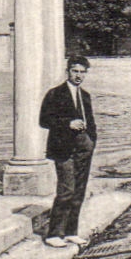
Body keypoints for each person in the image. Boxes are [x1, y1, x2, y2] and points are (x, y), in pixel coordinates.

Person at [39, 56, 96, 248]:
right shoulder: (55, 94)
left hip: (83, 149)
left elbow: (91, 121)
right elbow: (44, 120)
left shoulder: (85, 96)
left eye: (82, 72)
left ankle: (71, 232)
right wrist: (67, 124)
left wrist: (91, 141)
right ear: (68, 71)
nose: (78, 75)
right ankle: (54, 233)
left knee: (79, 190)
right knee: (66, 189)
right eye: (75, 71)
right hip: (63, 148)